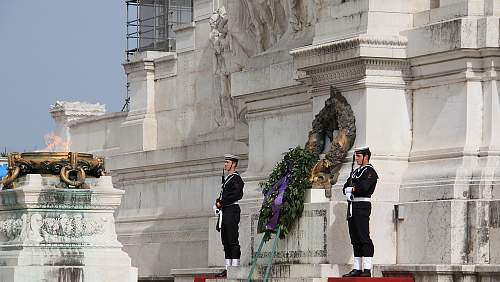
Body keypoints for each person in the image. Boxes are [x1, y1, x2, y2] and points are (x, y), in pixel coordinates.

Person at [342, 146, 378, 277]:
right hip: (352, 206)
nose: (356, 158)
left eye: (358, 156)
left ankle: (367, 268)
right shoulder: (356, 172)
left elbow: (363, 187)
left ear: (366, 157)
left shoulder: (370, 172)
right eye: (356, 156)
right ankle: (357, 267)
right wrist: (349, 188)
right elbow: (345, 186)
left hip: (362, 206)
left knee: (363, 237)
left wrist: (351, 189)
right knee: (355, 237)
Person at [214, 154, 244, 276]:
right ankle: (228, 268)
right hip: (225, 211)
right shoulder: (228, 178)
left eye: (227, 162)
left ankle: (235, 268)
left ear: (234, 164)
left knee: (232, 240)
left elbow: (237, 195)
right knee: (225, 241)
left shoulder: (236, 178)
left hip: (232, 210)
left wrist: (222, 202)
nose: (225, 164)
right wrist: (218, 202)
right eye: (225, 162)